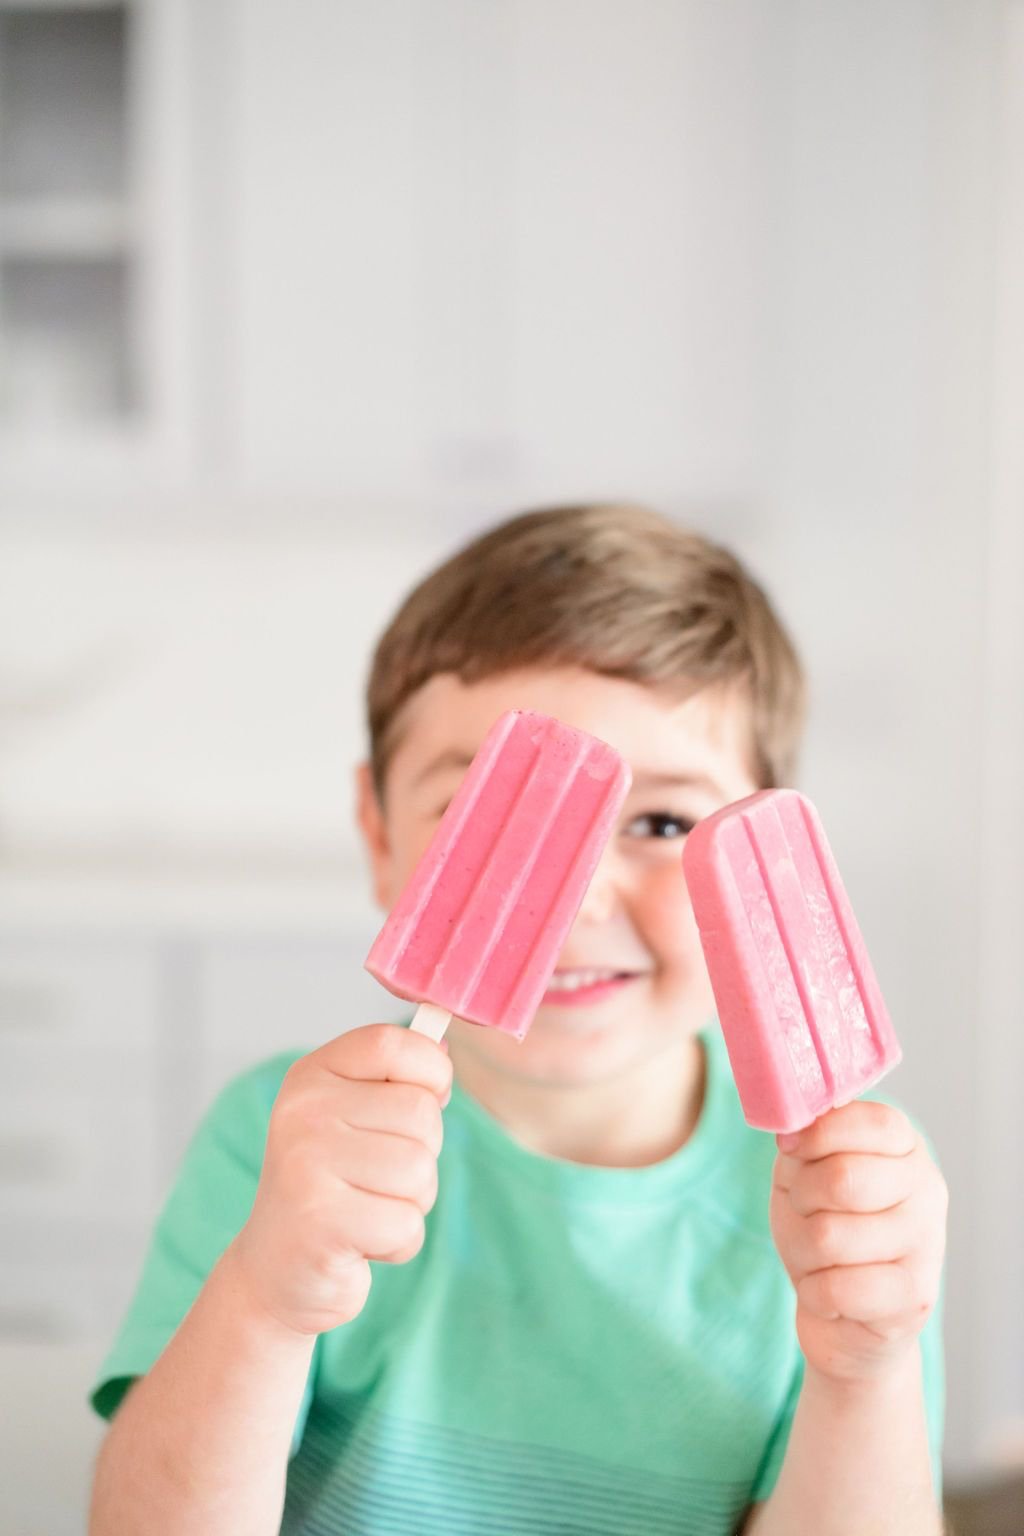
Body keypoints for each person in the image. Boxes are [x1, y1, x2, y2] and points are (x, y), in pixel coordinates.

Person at [87, 504, 948, 1535]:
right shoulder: (281, 1141)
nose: (577, 898)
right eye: (484, 815)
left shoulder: (843, 1194)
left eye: (665, 823)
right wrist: (268, 1297)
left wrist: (864, 1372)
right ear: (377, 834)